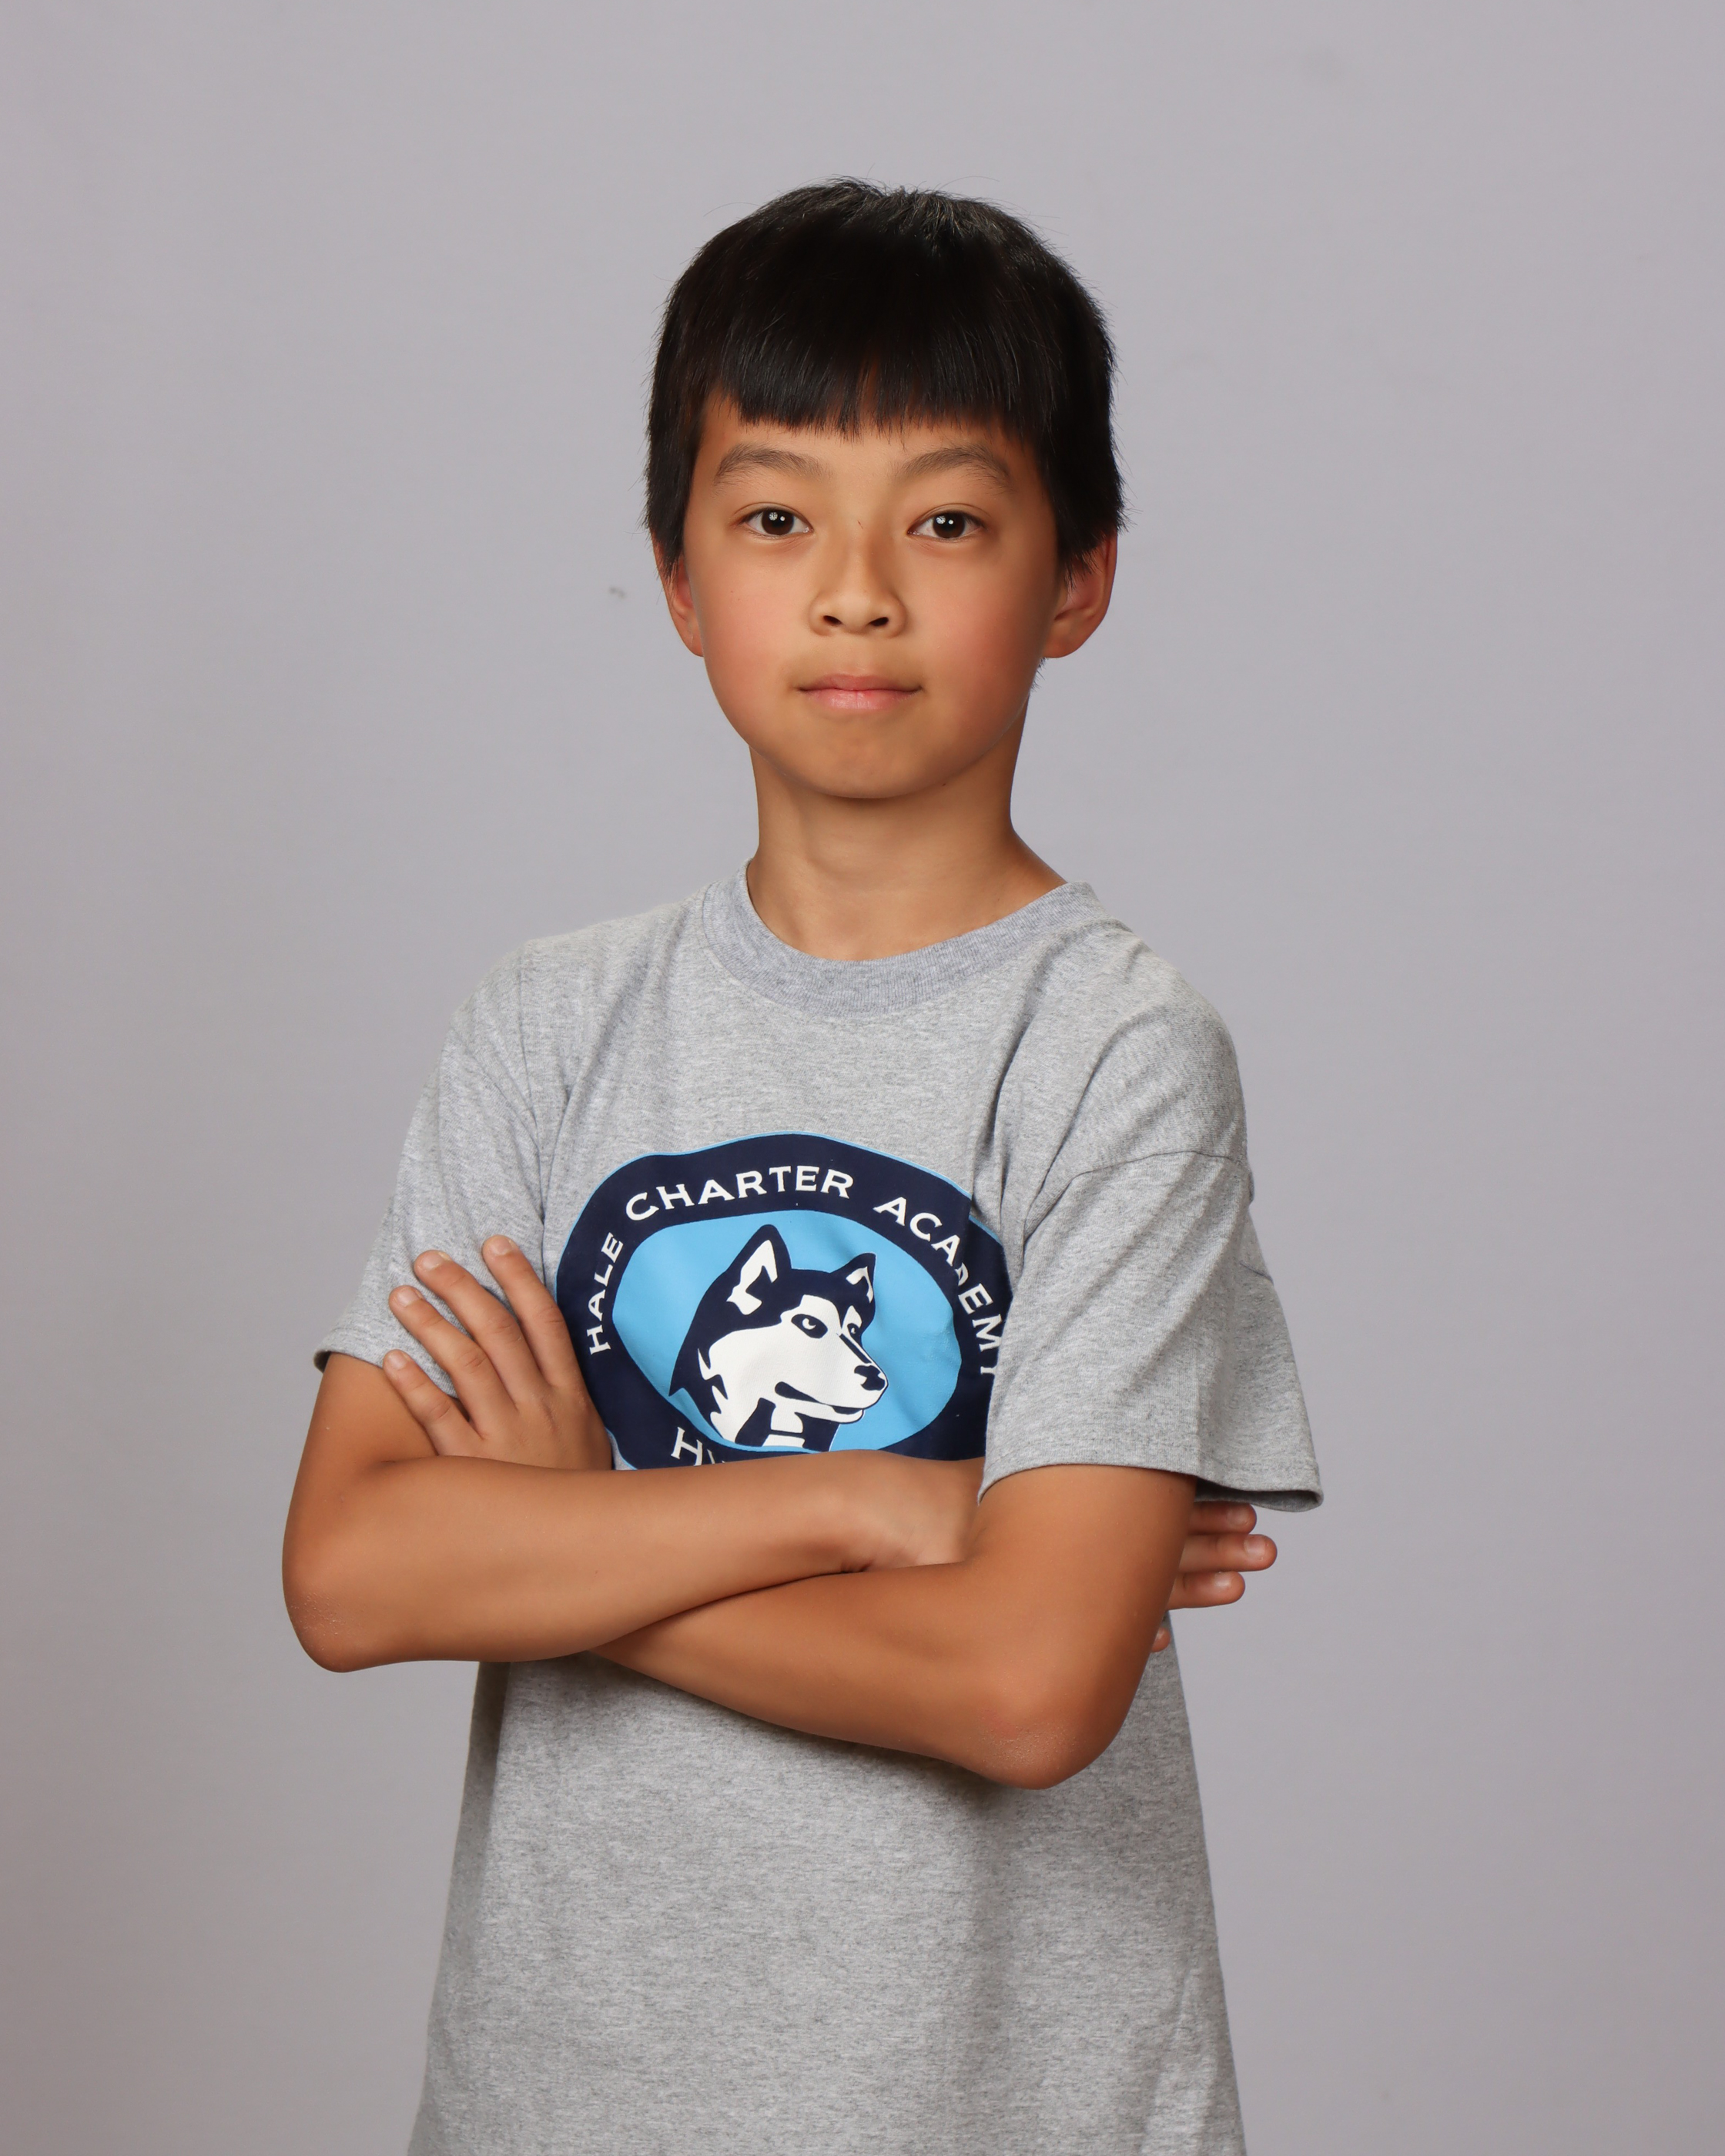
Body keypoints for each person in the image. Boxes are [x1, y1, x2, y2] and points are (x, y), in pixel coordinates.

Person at [284, 179, 1321, 2155]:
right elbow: (349, 1570)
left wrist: (573, 1536)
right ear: (678, 578)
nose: (855, 591)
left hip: (994, 2106)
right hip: (556, 2103)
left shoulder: (1115, 1052)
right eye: (775, 517)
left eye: (945, 521)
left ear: (1078, 576)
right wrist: (880, 1499)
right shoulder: (548, 1024)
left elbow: (1025, 1685)